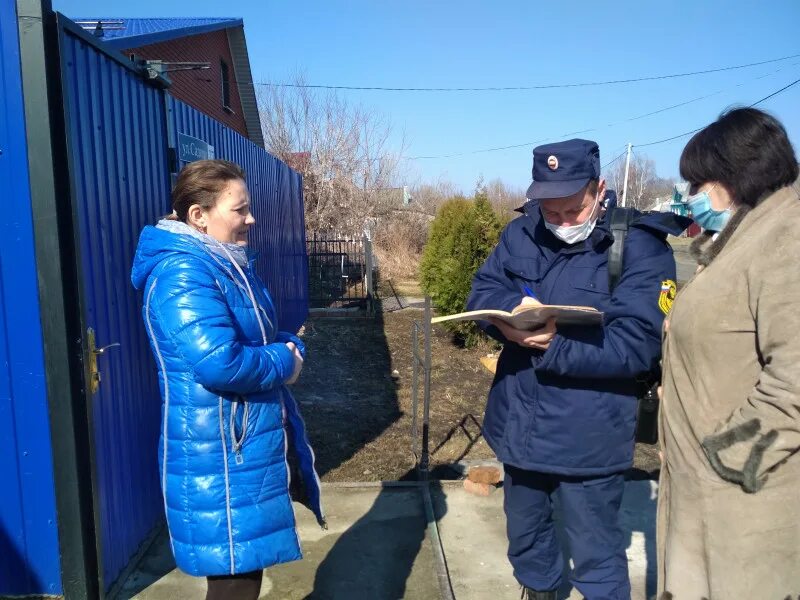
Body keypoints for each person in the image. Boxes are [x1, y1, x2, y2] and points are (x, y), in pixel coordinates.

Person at [467, 139, 688, 600]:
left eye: (574, 210)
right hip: (519, 425)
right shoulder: (521, 233)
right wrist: (509, 317)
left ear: (600, 188)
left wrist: (553, 344)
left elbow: (638, 344)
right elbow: (484, 289)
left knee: (596, 558)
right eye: (552, 211)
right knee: (526, 542)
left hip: (589, 437)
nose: (563, 222)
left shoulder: (641, 247)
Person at [131, 159, 324, 600]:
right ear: (199, 216)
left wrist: (287, 345)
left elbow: (252, 332)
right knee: (234, 583)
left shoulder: (223, 263)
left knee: (242, 576)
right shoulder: (183, 273)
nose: (250, 219)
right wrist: (285, 361)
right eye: (240, 209)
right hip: (217, 452)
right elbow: (221, 362)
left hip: (235, 446)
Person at [658, 107, 800, 599]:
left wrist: (723, 460)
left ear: (735, 175)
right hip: (708, 498)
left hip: (743, 504)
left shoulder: (787, 238)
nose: (691, 197)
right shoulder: (745, 236)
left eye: (699, 184)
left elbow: (795, 384)